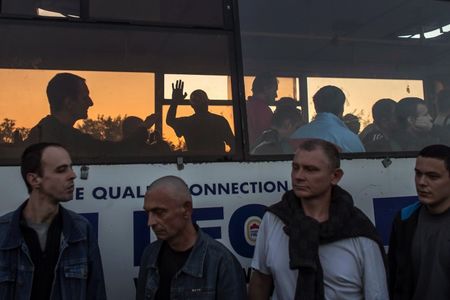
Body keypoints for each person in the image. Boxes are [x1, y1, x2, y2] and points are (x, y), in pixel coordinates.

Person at [249, 139, 388, 300]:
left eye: (311, 170)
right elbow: (260, 281)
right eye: (295, 167)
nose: (299, 176)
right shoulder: (274, 219)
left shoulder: (359, 232)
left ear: (335, 176)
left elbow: (377, 294)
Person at [0, 142, 106, 299]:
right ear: (34, 179)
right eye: (62, 170)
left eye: (71, 167)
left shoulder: (82, 230)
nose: (72, 175)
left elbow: (96, 293)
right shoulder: (3, 233)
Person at [136, 175, 247, 300]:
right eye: (148, 213)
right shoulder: (150, 254)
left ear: (186, 209)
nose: (150, 222)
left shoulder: (221, 262)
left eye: (160, 212)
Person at [388, 144, 450, 300]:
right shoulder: (405, 219)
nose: (422, 182)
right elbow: (395, 278)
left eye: (433, 176)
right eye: (418, 174)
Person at [26, 73, 105, 156]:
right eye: (85, 98)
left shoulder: (45, 131)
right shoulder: (59, 138)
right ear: (69, 103)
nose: (90, 103)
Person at [166, 80, 235, 154]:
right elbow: (234, 145)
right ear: (208, 102)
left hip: (195, 162)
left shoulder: (188, 122)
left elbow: (170, 120)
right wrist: (226, 159)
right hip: (217, 162)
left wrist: (175, 101)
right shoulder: (219, 121)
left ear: (192, 105)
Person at [290, 86, 365, 152]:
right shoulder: (349, 139)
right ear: (341, 108)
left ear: (316, 108)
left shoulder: (297, 135)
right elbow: (362, 165)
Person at [246, 74, 278, 147]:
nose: (276, 95)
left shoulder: (248, 105)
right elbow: (268, 138)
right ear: (266, 88)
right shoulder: (263, 110)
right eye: (275, 90)